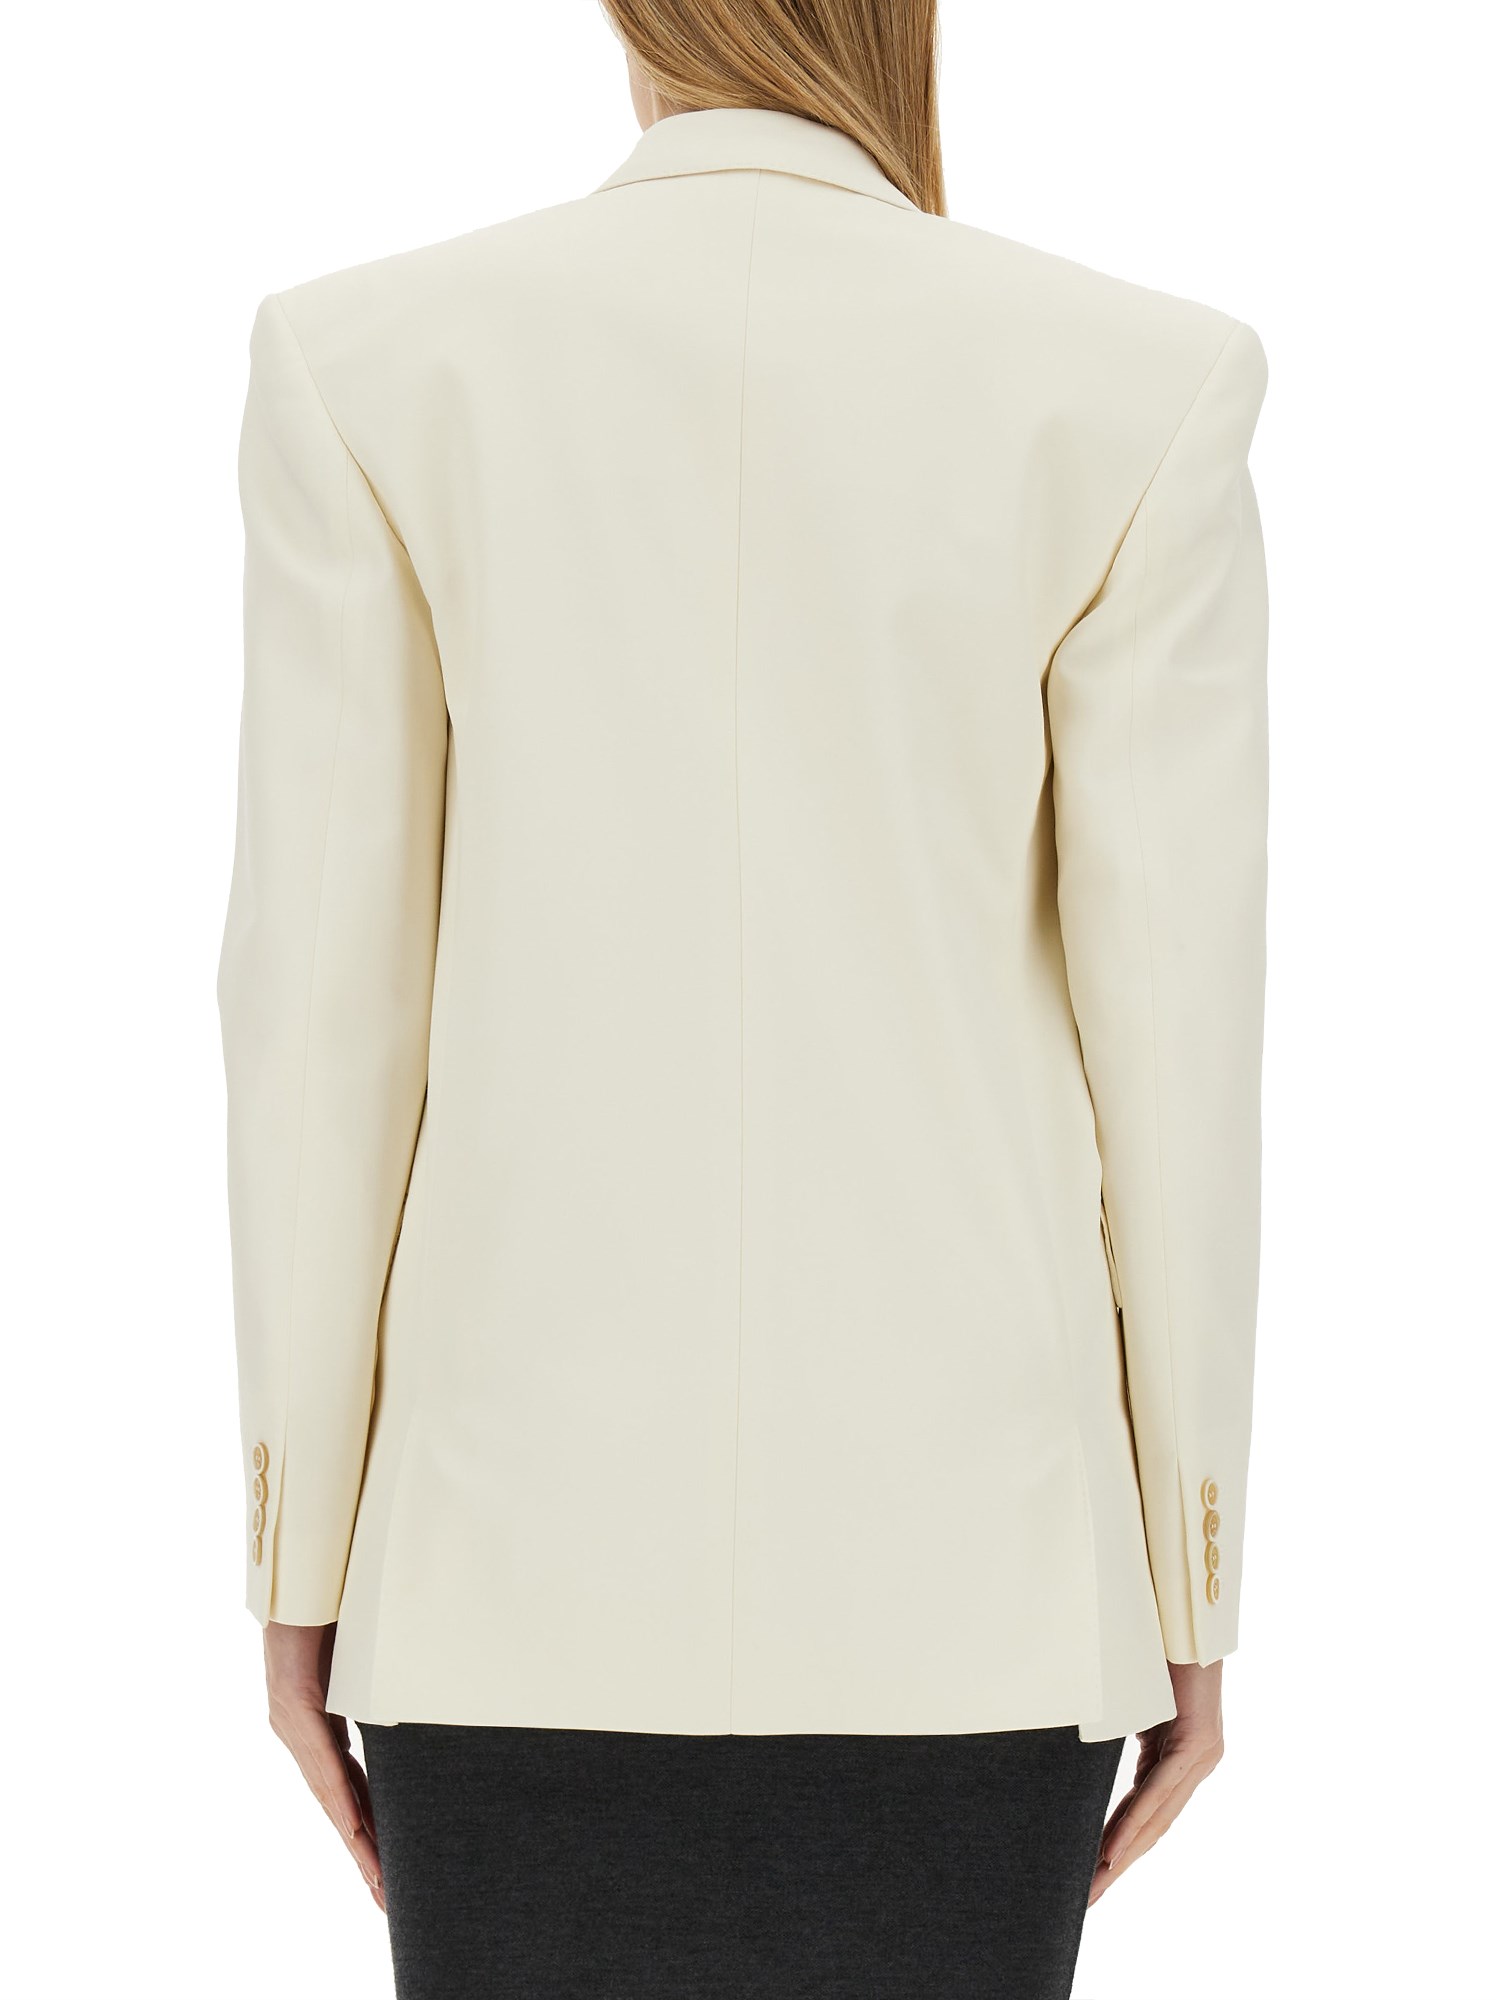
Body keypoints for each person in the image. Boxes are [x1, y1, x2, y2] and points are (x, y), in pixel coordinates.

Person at [217, 3, 1269, 1994]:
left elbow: (319, 1031)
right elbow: (1178, 1054)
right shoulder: (1131, 385)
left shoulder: (373, 364)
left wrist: (300, 1557)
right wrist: (1192, 1572)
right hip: (977, 1589)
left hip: (501, 1578)